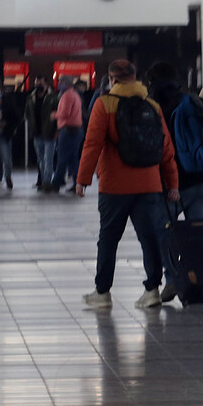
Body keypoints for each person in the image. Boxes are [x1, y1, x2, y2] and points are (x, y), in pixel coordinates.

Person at [75, 60, 180, 310]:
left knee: (109, 239)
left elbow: (92, 144)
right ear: (135, 79)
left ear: (112, 80)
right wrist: (172, 183)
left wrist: (82, 179)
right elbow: (166, 149)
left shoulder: (104, 104)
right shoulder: (152, 105)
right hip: (150, 184)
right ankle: (152, 290)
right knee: (149, 238)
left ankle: (102, 293)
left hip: (114, 186)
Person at [145, 61, 203, 302]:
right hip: (201, 177)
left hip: (172, 182)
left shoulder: (154, 104)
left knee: (164, 232)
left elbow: (159, 145)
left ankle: (173, 280)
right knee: (198, 233)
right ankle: (201, 279)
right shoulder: (192, 101)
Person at [48, 76, 84, 192]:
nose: (59, 85)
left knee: (62, 157)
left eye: (61, 83)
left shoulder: (67, 95)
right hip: (77, 130)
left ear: (67, 84)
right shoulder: (75, 94)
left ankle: (56, 183)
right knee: (73, 159)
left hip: (68, 130)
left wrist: (54, 115)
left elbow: (65, 113)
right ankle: (77, 183)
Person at [24, 75, 58, 191]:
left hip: (49, 133)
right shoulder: (31, 97)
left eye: (41, 83)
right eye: (36, 83)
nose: (38, 85)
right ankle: (44, 180)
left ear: (46, 84)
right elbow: (27, 113)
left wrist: (57, 131)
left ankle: (47, 182)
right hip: (37, 133)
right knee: (41, 159)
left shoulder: (53, 97)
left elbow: (58, 115)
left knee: (48, 159)